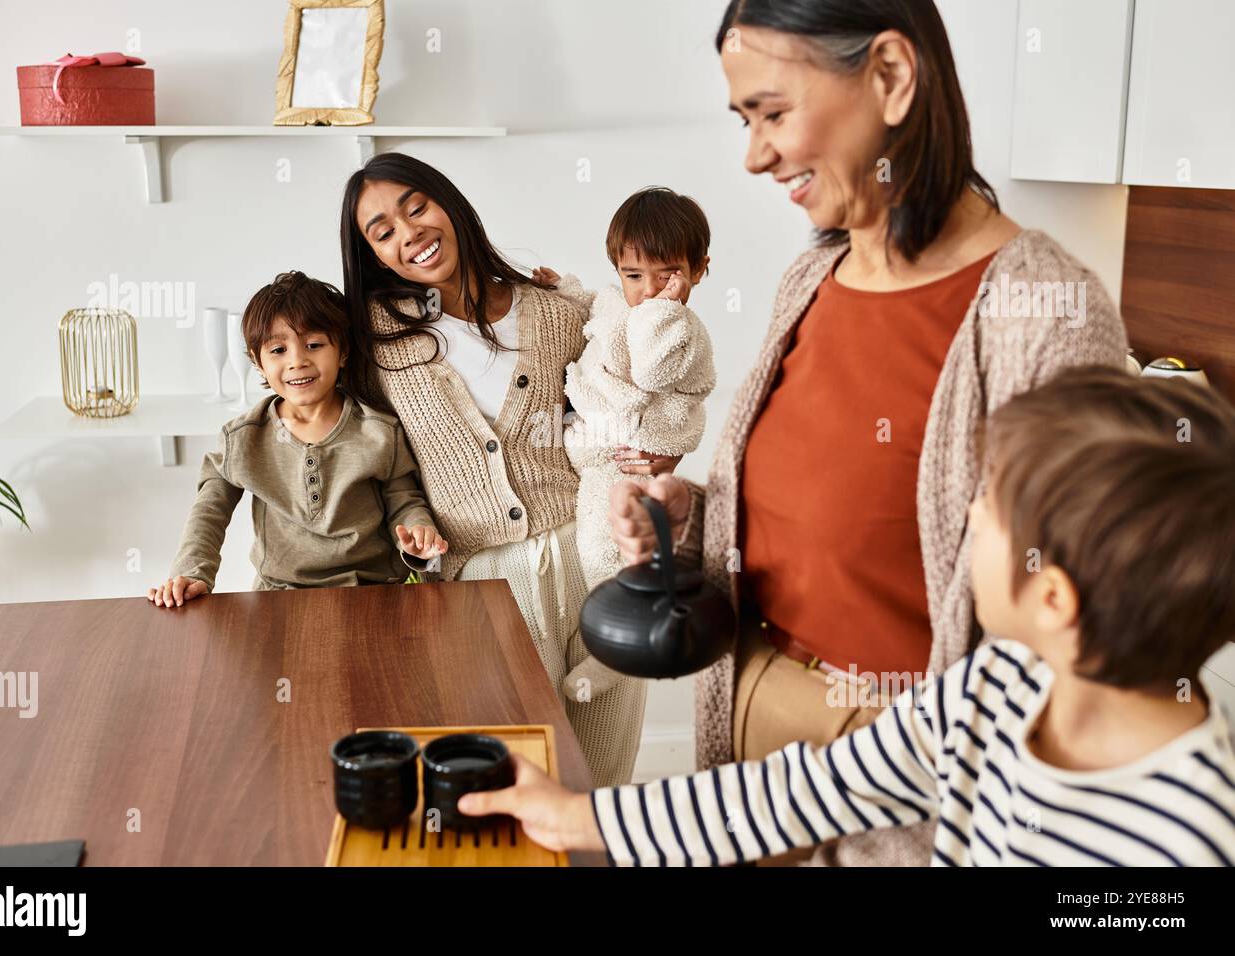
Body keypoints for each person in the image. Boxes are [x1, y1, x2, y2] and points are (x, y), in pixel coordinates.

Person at [601, 0, 1128, 865]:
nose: (755, 154)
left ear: (890, 75)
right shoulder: (812, 276)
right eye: (744, 120)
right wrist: (687, 517)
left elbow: (1082, 632)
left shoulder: (1046, 312)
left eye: (773, 112)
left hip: (912, 771)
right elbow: (816, 511)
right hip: (748, 726)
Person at [458, 368, 1235, 867]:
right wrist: (576, 820)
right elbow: (804, 790)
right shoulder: (999, 685)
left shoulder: (1188, 835)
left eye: (987, 507)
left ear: (1054, 598)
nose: (964, 515)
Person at [338, 154, 683, 787]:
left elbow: (634, 395)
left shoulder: (559, 307)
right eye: (382, 230)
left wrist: (665, 450)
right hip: (480, 590)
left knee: (600, 784)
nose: (407, 232)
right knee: (500, 790)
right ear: (373, 256)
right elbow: (358, 451)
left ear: (450, 203)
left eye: (416, 206)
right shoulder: (371, 341)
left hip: (593, 561)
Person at [149, 271, 445, 607]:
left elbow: (404, 500)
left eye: (314, 345)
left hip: (375, 591)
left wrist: (419, 532)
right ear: (257, 362)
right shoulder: (243, 438)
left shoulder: (379, 431)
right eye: (277, 349)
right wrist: (192, 572)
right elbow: (210, 509)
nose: (297, 361)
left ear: (343, 352)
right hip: (279, 596)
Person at [543, 186, 717, 700]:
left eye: (667, 275)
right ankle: (606, 638)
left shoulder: (679, 328)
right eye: (633, 275)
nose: (648, 289)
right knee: (590, 553)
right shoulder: (621, 301)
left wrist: (661, 311)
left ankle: (616, 653)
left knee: (609, 552)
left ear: (699, 269)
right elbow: (596, 306)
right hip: (597, 447)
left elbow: (651, 367)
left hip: (631, 456)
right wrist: (561, 288)